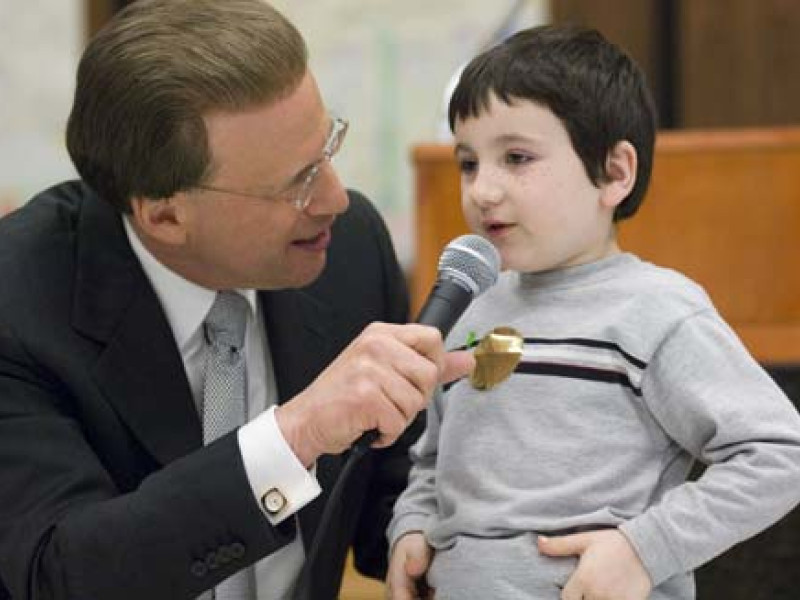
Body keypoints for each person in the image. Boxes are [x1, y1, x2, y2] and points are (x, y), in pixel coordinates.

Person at [0, 1, 474, 599]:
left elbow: (392, 493)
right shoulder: (16, 302)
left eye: (328, 148)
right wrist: (295, 435)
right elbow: (61, 574)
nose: (336, 199)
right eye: (297, 183)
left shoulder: (347, 253)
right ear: (165, 214)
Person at [386, 25, 800, 600]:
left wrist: (642, 549)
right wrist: (411, 526)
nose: (482, 190)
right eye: (468, 163)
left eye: (516, 157)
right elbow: (432, 461)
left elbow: (781, 454)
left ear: (614, 172)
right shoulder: (469, 307)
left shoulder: (656, 310)